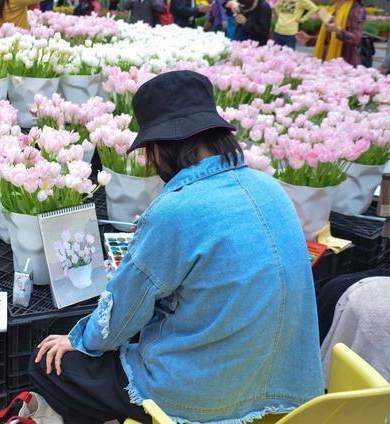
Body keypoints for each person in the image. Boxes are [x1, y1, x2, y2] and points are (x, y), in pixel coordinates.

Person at [28, 71, 324, 424]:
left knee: (48, 365)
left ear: (161, 146)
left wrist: (79, 341)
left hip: (205, 397)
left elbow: (123, 311)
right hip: (285, 386)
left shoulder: (176, 210)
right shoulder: (270, 187)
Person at [297, 0, 366, 67]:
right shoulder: (333, 9)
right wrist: (309, 39)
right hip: (327, 62)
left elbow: (356, 39)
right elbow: (329, 38)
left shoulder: (356, 10)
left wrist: (338, 30)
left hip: (345, 66)